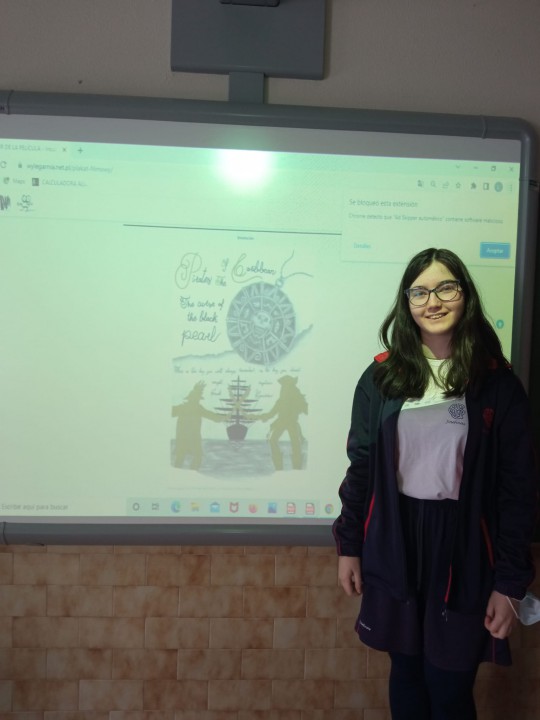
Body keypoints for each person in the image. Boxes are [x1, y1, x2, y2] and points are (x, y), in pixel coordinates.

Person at [333, 248, 538, 720]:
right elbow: (361, 466)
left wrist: (509, 584)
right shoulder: (381, 377)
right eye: (420, 292)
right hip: (396, 538)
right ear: (406, 303)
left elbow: (518, 491)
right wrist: (349, 546)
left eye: (446, 287)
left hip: (465, 547)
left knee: (449, 685)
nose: (433, 301)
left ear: (465, 295)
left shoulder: (497, 384)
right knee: (406, 674)